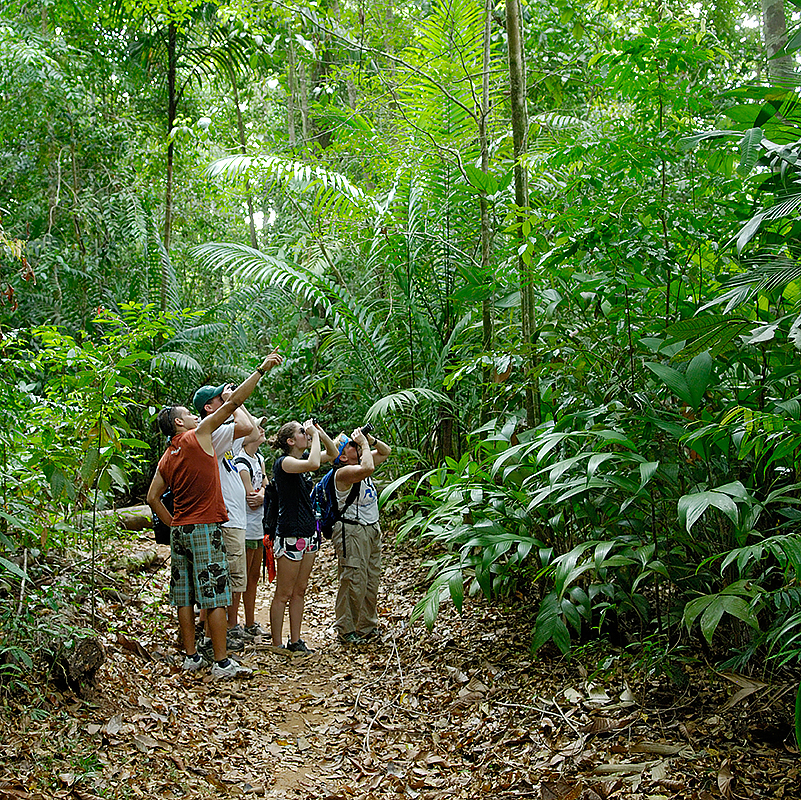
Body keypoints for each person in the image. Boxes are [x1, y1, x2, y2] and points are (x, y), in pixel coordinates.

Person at [146, 350, 282, 678]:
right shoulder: (198, 436)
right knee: (215, 596)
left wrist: (175, 521)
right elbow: (234, 405)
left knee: (184, 597)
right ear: (180, 422)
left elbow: (152, 498)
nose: (193, 418)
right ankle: (221, 662)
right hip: (206, 528)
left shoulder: (168, 455)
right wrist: (261, 369)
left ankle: (191, 656)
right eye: (187, 416)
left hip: (181, 531)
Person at [192, 383, 257, 650]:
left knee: (233, 580)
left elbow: (251, 428)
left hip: (236, 519)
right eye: (220, 398)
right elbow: (247, 427)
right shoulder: (213, 433)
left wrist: (232, 402)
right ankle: (213, 636)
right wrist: (234, 401)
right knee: (224, 580)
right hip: (226, 519)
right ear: (209, 407)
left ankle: (226, 629)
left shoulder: (222, 433)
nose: (226, 400)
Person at [267, 419, 338, 653]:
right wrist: (313, 437)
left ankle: (296, 640)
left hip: (308, 532)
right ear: (290, 441)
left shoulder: (300, 462)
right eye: (301, 432)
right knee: (284, 592)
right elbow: (315, 463)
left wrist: (319, 432)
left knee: (300, 589)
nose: (305, 434)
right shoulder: (284, 463)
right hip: (290, 533)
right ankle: (277, 643)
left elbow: (333, 453)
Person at [331, 426, 391, 645]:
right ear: (343, 456)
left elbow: (385, 452)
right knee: (353, 580)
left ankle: (366, 626)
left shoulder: (361, 461)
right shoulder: (344, 472)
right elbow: (368, 468)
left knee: (370, 579)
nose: (356, 445)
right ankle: (346, 629)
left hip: (371, 528)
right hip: (352, 530)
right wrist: (364, 446)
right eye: (351, 445)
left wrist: (370, 440)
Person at [233, 420, 268, 639]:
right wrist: (263, 494)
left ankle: (250, 621)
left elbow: (264, 488)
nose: (261, 430)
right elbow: (251, 497)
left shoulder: (260, 459)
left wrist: (263, 494)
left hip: (258, 526)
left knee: (253, 576)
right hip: (244, 525)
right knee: (240, 577)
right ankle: (233, 622)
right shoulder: (241, 462)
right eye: (257, 427)